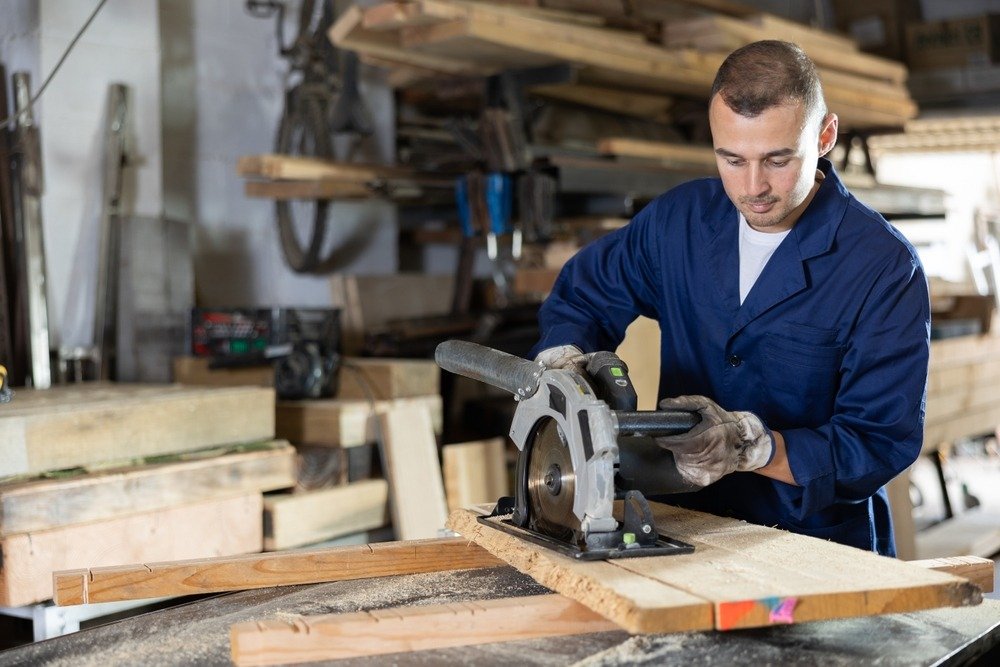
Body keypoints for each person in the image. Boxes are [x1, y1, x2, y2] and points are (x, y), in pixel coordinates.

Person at [532, 40, 929, 557]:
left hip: (815, 546)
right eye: (732, 159)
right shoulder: (679, 221)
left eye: (778, 159)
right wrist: (567, 359)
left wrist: (751, 447)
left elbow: (879, 440)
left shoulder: (882, 267)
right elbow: (584, 295)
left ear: (825, 135)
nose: (753, 186)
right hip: (682, 526)